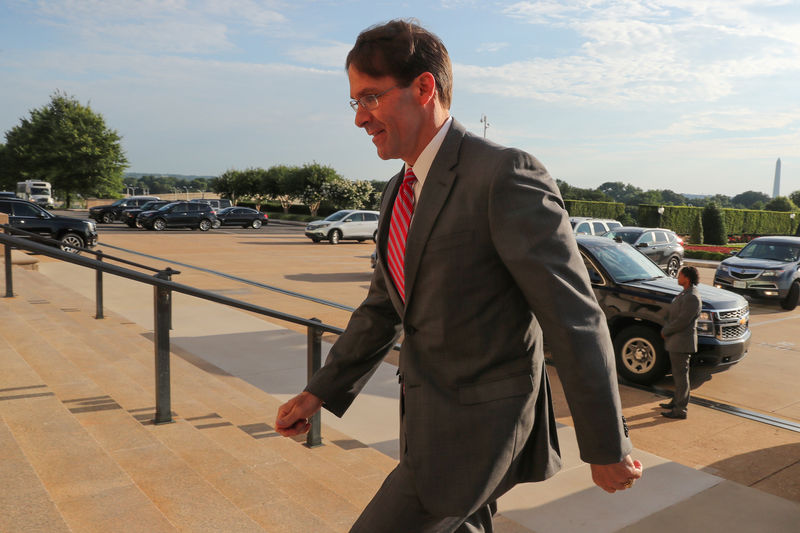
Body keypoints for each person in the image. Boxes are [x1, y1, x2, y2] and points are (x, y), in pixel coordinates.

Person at [276, 19, 642, 532]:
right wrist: (320, 391)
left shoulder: (504, 174)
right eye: (355, 102)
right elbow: (384, 307)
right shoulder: (396, 192)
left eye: (370, 98)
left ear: (424, 87)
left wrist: (606, 444)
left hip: (482, 430)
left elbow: (573, 316)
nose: (360, 117)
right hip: (427, 422)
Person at [660, 266, 702, 420]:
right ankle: (676, 401)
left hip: (682, 342)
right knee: (678, 375)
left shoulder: (692, 297)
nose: (678, 278)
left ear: (687, 278)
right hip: (676, 341)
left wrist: (666, 330)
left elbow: (683, 321)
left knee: (681, 376)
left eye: (680, 275)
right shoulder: (686, 292)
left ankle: (680, 409)